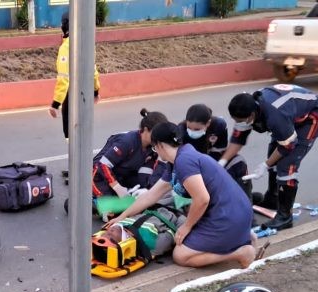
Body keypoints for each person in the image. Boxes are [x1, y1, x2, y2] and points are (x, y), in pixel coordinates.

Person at [106, 122, 259, 269]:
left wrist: (187, 227)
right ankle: (239, 237)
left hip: (227, 217)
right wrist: (122, 216)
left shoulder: (184, 161)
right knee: (186, 228)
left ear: (159, 145)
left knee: (181, 255)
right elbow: (151, 195)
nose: (155, 152)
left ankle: (241, 252)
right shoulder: (177, 161)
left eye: (154, 148)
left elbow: (202, 199)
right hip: (235, 212)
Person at [224, 84, 318, 230]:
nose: (240, 124)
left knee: (287, 164)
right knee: (273, 152)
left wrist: (265, 165)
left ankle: (285, 217)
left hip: (311, 116)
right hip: (289, 113)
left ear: (252, 115)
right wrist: (222, 162)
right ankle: (273, 198)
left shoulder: (275, 115)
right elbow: (238, 139)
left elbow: (287, 146)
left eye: (242, 121)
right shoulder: (245, 107)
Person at [48, 12, 101, 182]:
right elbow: (93, 70)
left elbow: (64, 78)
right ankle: (79, 169)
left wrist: (55, 104)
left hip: (71, 97)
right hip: (85, 95)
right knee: (81, 133)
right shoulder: (86, 42)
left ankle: (78, 173)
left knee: (71, 134)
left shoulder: (67, 46)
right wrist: (95, 91)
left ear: (65, 25)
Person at [178, 103, 252, 200]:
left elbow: (219, 151)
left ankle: (244, 198)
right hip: (192, 165)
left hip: (211, 158)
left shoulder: (219, 125)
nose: (192, 132)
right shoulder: (180, 131)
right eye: (189, 128)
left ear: (208, 123)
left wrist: (217, 166)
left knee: (238, 161)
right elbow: (179, 159)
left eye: (197, 129)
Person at [92, 109, 168, 199]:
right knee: (111, 206)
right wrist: (117, 187)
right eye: (156, 134)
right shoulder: (127, 141)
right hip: (99, 175)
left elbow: (153, 168)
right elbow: (102, 165)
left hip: (121, 176)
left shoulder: (152, 147)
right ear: (146, 129)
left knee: (142, 197)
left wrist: (147, 189)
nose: (159, 138)